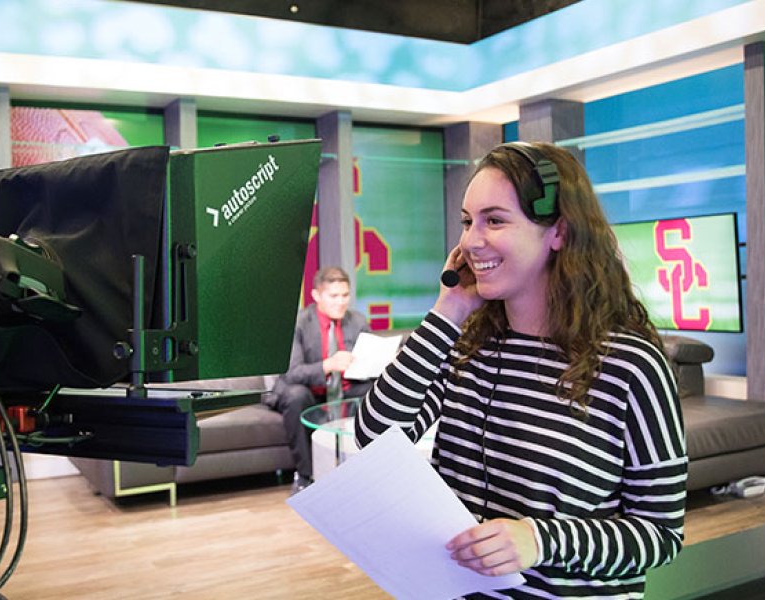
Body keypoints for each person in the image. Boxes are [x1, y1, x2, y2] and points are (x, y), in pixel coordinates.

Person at [355, 142, 686, 599]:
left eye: (495, 220)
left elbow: (660, 535)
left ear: (559, 232)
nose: (470, 241)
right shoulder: (466, 345)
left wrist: (540, 540)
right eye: (468, 222)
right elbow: (375, 437)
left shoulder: (631, 367)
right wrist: (448, 311)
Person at [270, 266, 373, 494]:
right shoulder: (298, 323)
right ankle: (306, 476)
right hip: (307, 389)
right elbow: (291, 372)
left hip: (346, 389)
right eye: (334, 296)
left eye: (345, 295)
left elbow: (368, 359)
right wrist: (328, 365)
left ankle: (370, 472)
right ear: (316, 295)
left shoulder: (357, 321)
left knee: (375, 392)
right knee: (296, 395)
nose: (341, 302)